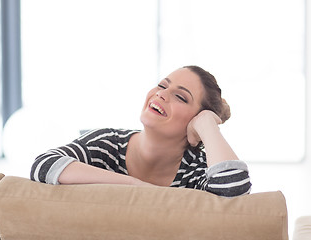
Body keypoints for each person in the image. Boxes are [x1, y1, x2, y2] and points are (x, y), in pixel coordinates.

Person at [30, 65, 251, 197]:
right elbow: (43, 165)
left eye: (181, 97)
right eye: (162, 85)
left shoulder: (197, 168)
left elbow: (234, 191)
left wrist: (207, 125)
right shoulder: (107, 143)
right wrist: (138, 187)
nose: (161, 94)